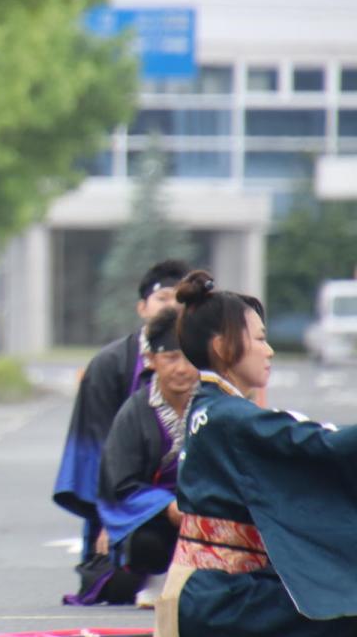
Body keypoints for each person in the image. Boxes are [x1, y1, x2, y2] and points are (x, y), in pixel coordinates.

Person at [152, 271, 357, 637]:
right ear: (222, 346)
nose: (269, 350)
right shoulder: (228, 416)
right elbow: (317, 446)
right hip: (221, 597)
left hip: (213, 589)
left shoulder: (213, 408)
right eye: (260, 339)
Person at [53, 258, 191, 562]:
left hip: (192, 502)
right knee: (134, 557)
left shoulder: (207, 361)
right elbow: (95, 448)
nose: (172, 307)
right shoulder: (110, 365)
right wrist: (109, 518)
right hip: (129, 496)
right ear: (142, 308)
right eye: (162, 298)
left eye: (181, 300)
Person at [96, 307, 198, 608]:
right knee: (146, 545)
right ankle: (156, 578)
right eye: (170, 358)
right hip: (156, 516)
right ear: (151, 360)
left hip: (205, 507)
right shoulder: (134, 412)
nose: (181, 368)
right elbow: (120, 483)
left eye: (188, 357)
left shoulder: (213, 403)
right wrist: (166, 506)